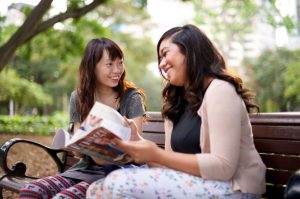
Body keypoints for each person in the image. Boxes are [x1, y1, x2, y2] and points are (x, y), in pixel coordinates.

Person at [86, 24, 266, 199]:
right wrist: (137, 142)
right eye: (160, 59)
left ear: (190, 50)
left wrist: (156, 154)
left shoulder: (220, 90)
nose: (162, 64)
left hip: (235, 188)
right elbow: (168, 167)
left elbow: (223, 167)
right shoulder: (176, 103)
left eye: (165, 54)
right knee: (96, 190)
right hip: (197, 184)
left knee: (119, 181)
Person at [19, 38, 146, 199]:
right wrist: (75, 144)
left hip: (118, 174)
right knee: (31, 191)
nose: (117, 70)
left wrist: (100, 151)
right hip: (83, 170)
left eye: (120, 63)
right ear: (92, 67)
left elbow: (135, 148)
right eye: (109, 64)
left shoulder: (131, 98)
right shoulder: (78, 97)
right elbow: (80, 153)